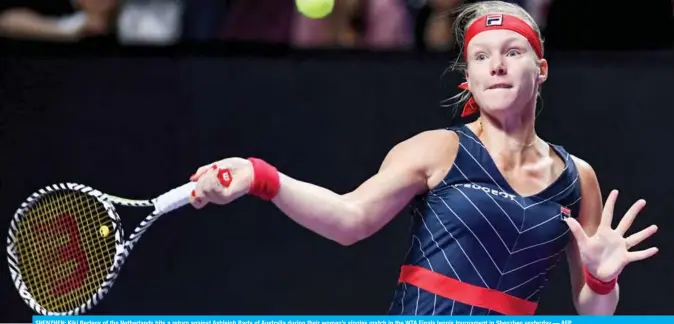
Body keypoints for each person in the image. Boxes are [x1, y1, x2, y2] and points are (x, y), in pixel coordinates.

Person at [187, 1, 659, 316]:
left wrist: (601, 279)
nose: (496, 64)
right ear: (468, 77)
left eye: (512, 52)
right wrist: (260, 177)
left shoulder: (579, 178)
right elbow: (350, 218)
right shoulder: (438, 149)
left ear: (541, 71)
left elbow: (592, 311)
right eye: (480, 57)